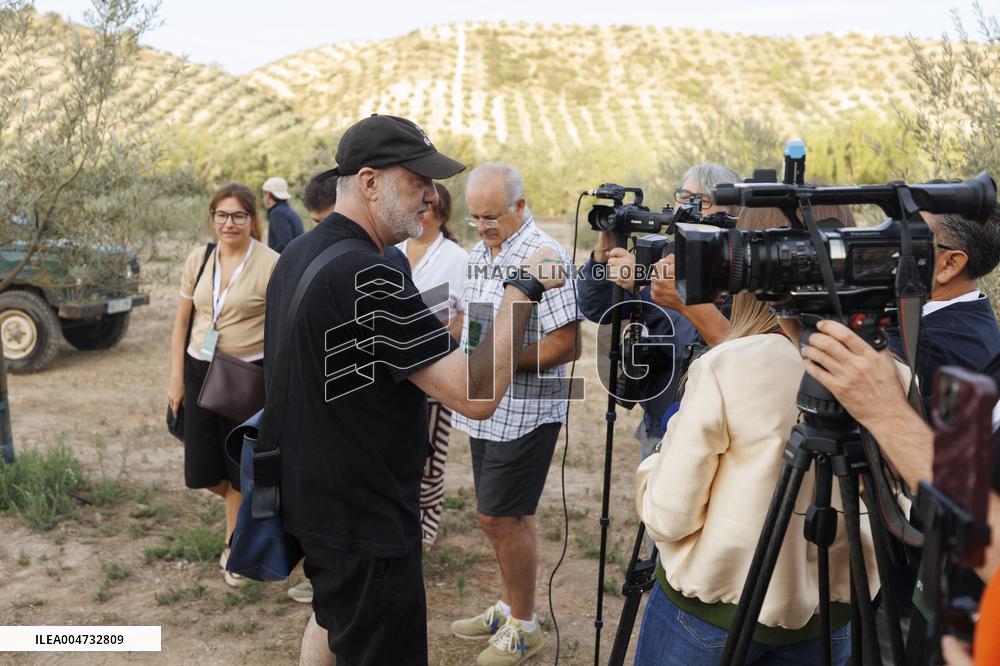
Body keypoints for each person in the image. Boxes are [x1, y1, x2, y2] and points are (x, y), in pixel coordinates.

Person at [263, 115, 565, 666]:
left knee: (331, 621)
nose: (431, 197)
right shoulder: (369, 273)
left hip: (311, 499)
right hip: (366, 520)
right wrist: (524, 285)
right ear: (371, 182)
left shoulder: (301, 255)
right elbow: (474, 394)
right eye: (417, 181)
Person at [634, 206, 876, 665]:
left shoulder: (730, 366)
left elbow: (669, 516)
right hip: (829, 623)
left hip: (708, 618)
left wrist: (656, 459)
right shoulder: (885, 372)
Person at [448, 162, 582, 665]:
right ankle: (509, 606)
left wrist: (497, 361)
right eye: (475, 218)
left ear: (520, 207)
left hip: (527, 410)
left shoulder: (547, 256)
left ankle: (525, 626)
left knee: (497, 515)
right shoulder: (477, 254)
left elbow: (566, 344)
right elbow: (463, 314)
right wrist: (466, 337)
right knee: (506, 513)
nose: (482, 227)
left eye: (491, 216)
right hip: (486, 408)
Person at [577, 163, 739, 464]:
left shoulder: (736, 272)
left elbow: (697, 345)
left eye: (700, 201)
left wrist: (640, 291)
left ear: (729, 212)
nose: (686, 208)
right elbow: (595, 307)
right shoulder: (663, 254)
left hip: (709, 431)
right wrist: (606, 247)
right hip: (657, 425)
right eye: (683, 196)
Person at [167, 183, 279, 587]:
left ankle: (235, 545)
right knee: (201, 469)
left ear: (252, 220)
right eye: (222, 215)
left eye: (238, 216)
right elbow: (182, 323)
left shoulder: (270, 263)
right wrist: (176, 380)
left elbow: (280, 329)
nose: (229, 223)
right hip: (199, 369)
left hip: (244, 376)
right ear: (212, 218)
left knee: (238, 467)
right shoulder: (199, 258)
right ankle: (243, 520)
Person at [398, 183, 469, 545]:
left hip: (435, 371)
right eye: (417, 206)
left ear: (441, 213)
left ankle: (425, 528)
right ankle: (399, 518)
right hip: (392, 376)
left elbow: (461, 320)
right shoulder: (391, 249)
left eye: (427, 208)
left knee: (429, 456)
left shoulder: (457, 259)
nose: (419, 213)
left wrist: (436, 335)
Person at [887, 210, 1000, 413]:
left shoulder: (928, 349)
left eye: (905, 235)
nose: (883, 242)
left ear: (948, 264)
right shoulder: (975, 319)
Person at [263, 176, 304, 253]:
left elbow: (283, 244)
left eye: (264, 193)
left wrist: (269, 259)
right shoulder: (287, 211)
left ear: (268, 194)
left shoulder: (277, 213)